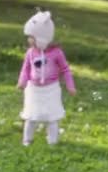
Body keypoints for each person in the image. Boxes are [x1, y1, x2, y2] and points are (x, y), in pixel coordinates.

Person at [17, 11, 76, 146]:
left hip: (51, 89)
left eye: (31, 37)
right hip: (34, 90)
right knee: (30, 116)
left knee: (52, 117)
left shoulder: (57, 53)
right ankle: (27, 140)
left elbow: (65, 70)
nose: (28, 40)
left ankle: (52, 141)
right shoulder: (30, 52)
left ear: (42, 37)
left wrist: (70, 85)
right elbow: (25, 68)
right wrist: (22, 81)